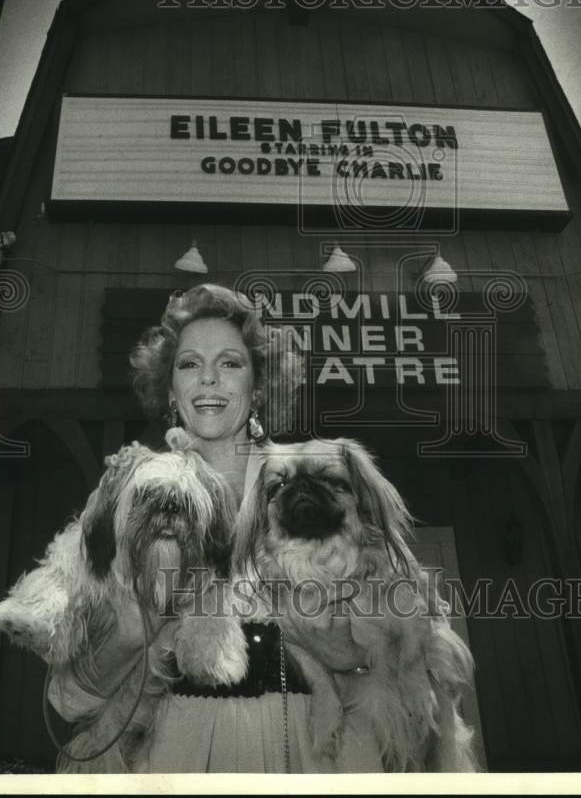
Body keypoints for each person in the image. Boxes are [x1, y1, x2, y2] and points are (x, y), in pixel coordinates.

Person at [46, 283, 390, 772]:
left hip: (309, 752)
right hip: (169, 756)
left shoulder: (320, 485)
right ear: (169, 389)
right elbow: (66, 701)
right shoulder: (125, 493)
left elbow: (410, 660)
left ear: (259, 385)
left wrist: (348, 656)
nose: (208, 379)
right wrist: (129, 635)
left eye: (229, 363)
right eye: (189, 364)